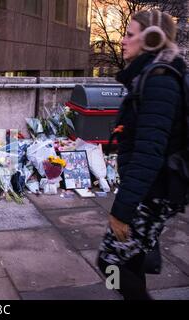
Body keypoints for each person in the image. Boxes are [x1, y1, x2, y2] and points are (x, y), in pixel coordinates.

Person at [97, 9, 187, 300]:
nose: (122, 41)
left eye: (129, 35)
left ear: (150, 40)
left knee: (110, 261)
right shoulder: (148, 75)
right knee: (129, 257)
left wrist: (121, 211)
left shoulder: (160, 79)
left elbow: (150, 152)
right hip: (150, 188)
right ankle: (140, 261)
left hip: (153, 190)